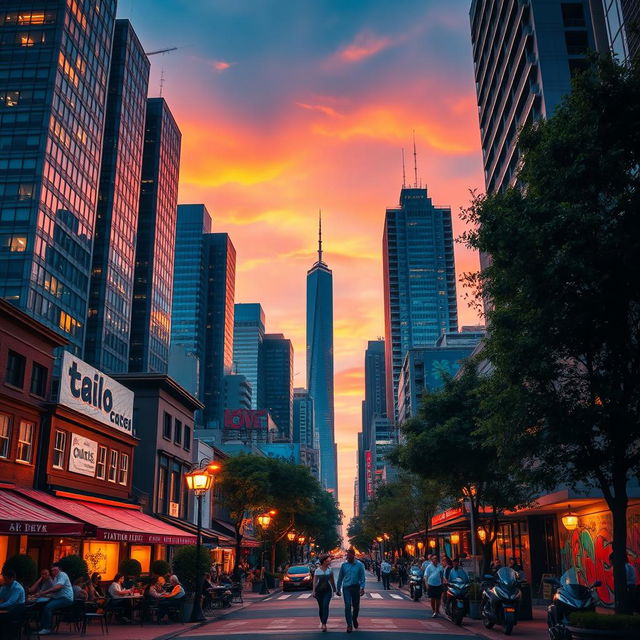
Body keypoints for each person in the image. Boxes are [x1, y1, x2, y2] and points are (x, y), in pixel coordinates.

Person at [37, 563, 74, 635]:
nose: (53, 572)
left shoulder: (62, 574)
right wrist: (43, 595)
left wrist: (43, 593)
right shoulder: (56, 578)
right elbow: (54, 592)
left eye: (55, 570)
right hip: (59, 598)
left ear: (59, 569)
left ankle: (47, 628)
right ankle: (42, 626)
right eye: (52, 570)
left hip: (66, 598)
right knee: (41, 605)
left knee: (48, 607)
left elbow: (58, 587)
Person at [336, 548, 365, 633]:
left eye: (349, 555)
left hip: (356, 587)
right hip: (346, 588)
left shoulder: (359, 565)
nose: (348, 557)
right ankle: (349, 625)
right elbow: (340, 577)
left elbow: (362, 577)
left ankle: (354, 618)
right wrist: (338, 589)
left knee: (356, 607)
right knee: (347, 605)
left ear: (353, 555)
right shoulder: (344, 565)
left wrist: (362, 588)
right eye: (347, 555)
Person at [313, 554, 336, 632]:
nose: (329, 562)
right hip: (319, 591)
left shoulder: (330, 570)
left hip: (327, 591)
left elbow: (332, 580)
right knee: (321, 607)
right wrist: (313, 591)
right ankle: (322, 621)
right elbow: (315, 582)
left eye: (329, 560)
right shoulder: (317, 570)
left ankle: (324, 624)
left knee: (325, 606)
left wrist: (335, 589)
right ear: (323, 561)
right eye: (327, 561)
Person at [0, 568, 26, 636]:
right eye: (4, 578)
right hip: (9, 607)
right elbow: (1, 596)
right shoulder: (5, 586)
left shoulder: (17, 588)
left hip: (17, 608)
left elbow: (10, 602)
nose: (4, 580)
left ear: (12, 578)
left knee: (2, 618)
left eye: (6, 579)